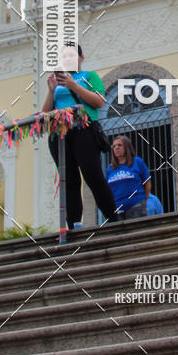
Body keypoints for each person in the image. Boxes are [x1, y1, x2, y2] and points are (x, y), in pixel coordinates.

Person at [43, 44, 117, 229]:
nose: (68, 59)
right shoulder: (57, 84)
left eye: (71, 55)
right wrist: (51, 90)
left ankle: (113, 219)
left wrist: (73, 85)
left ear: (81, 56)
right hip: (60, 134)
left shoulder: (89, 76)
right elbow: (44, 116)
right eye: (64, 56)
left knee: (93, 175)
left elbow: (98, 101)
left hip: (83, 129)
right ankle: (74, 223)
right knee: (69, 180)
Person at [107, 136, 151, 219]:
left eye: (119, 145)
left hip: (136, 205)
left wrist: (143, 199)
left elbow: (147, 182)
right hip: (117, 209)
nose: (116, 148)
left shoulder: (137, 162)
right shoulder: (110, 169)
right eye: (114, 146)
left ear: (127, 147)